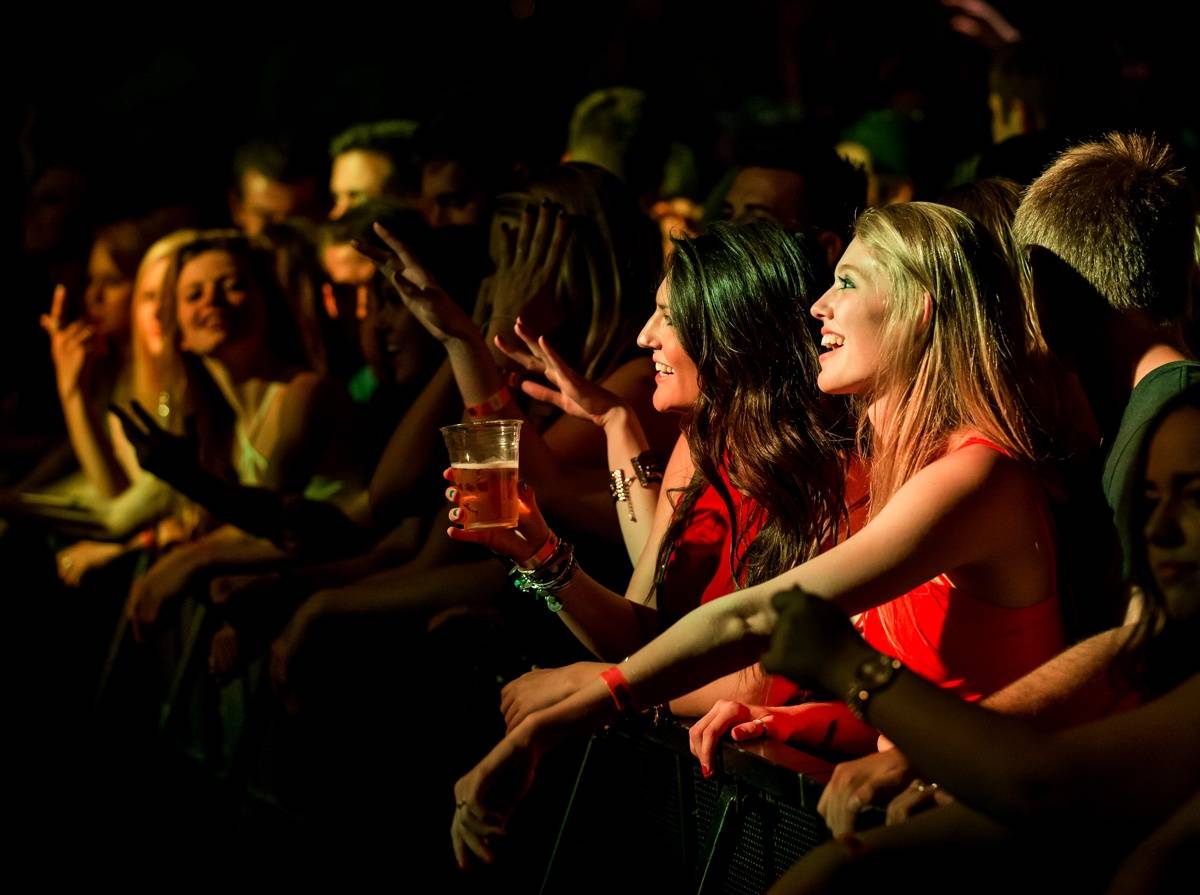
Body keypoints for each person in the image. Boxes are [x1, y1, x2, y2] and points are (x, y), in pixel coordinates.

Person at [450, 201, 1065, 866]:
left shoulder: (969, 474)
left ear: (918, 309)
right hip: (927, 799)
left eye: (848, 282)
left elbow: (765, 619)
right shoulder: (905, 466)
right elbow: (899, 687)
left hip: (994, 821)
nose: (819, 305)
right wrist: (791, 721)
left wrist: (574, 709)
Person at [762, 385, 1200, 894]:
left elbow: (1046, 784)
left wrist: (850, 666)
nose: (1159, 529)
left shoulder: (981, 471)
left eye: (1195, 496)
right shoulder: (1160, 643)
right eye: (1150, 500)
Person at [444, 222, 848, 731]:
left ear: (735, 332)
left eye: (669, 318)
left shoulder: (829, 467)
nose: (644, 336)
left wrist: (600, 686)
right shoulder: (704, 443)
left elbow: (764, 682)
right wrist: (538, 551)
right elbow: (641, 628)